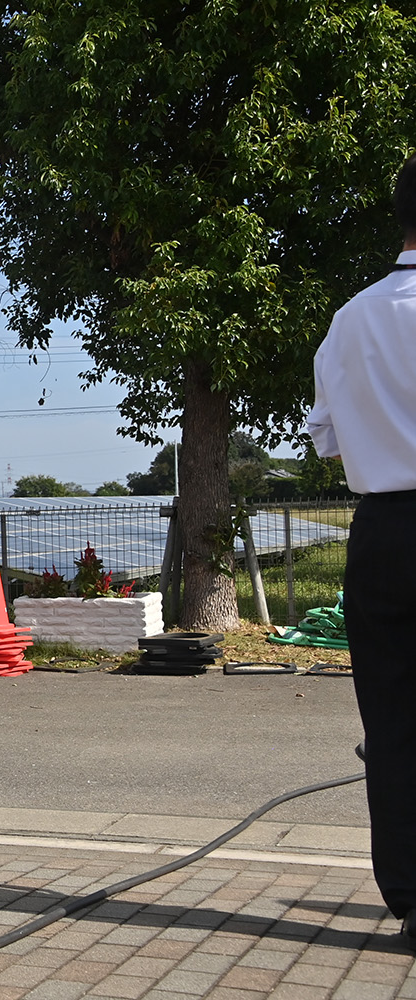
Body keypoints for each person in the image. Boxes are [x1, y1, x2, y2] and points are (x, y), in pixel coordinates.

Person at [307, 152, 416, 947]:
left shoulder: (350, 319)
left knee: (393, 718)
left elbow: (331, 447)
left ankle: (410, 893)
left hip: (381, 532)